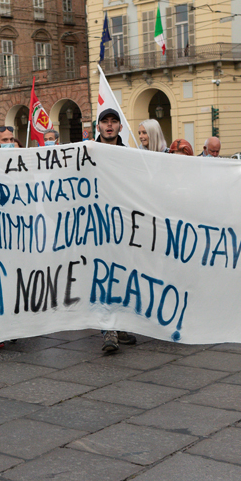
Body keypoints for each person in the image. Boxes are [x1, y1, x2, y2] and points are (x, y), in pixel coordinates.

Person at [91, 109, 137, 352]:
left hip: (123, 223)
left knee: (120, 274)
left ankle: (118, 324)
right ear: (98, 127)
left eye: (113, 122)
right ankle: (108, 329)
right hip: (96, 224)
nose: (109, 126)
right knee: (102, 273)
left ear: (120, 127)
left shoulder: (129, 155)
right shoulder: (87, 152)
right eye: (104, 122)